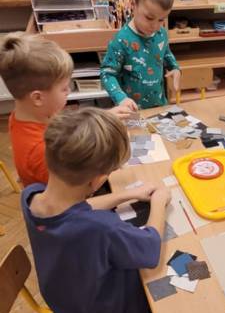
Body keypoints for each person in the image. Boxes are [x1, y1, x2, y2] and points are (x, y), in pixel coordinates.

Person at [21, 108, 170, 313]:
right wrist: (158, 202)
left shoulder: (31, 196)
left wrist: (126, 194)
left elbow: (77, 209)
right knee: (160, 285)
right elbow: (150, 249)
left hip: (70, 312)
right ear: (99, 179)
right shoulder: (102, 228)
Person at [0, 33, 134, 201]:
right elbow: (83, 193)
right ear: (38, 98)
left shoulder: (27, 114)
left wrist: (103, 117)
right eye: (64, 88)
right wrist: (116, 157)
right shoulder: (42, 152)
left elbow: (65, 125)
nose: (69, 91)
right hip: (68, 206)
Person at [100, 0, 180, 110]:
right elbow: (107, 73)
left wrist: (175, 68)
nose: (155, 26)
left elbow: (166, 53)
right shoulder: (121, 40)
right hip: (131, 111)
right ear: (133, 4)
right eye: (149, 18)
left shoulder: (161, 34)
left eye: (161, 19)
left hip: (159, 107)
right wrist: (121, 98)